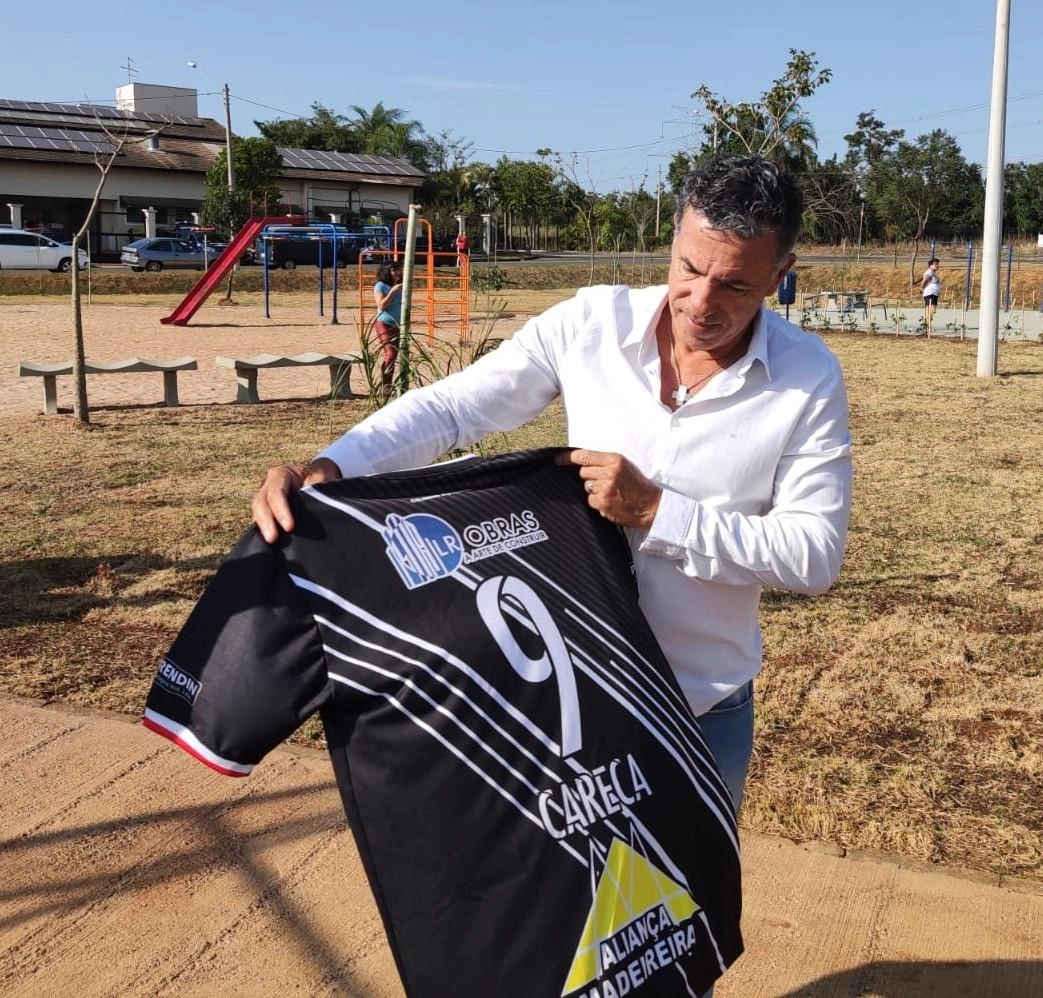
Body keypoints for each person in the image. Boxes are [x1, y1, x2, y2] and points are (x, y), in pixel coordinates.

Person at [254, 152, 851, 825]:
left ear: (779, 276)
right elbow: (456, 408)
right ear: (673, 240)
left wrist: (659, 513)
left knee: (691, 920)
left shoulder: (806, 379)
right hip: (569, 706)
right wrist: (338, 463)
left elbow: (813, 555)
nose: (701, 304)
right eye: (688, 269)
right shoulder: (591, 326)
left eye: (736, 286)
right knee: (565, 920)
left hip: (702, 712)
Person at [371, 260, 404, 396]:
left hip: (398, 325)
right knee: (390, 353)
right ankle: (385, 387)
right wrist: (393, 292)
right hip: (384, 323)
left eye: (398, 270)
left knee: (395, 355)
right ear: (386, 272)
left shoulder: (401, 286)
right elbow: (381, 305)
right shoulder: (381, 286)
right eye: (393, 270)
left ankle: (393, 384)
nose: (397, 272)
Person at [921, 257, 941, 328]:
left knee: (930, 309)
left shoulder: (933, 273)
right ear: (930, 265)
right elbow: (924, 281)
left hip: (933, 293)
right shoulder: (929, 272)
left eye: (938, 264)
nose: (937, 265)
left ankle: (928, 324)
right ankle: (928, 323)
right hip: (930, 293)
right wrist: (922, 288)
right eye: (935, 264)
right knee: (931, 309)